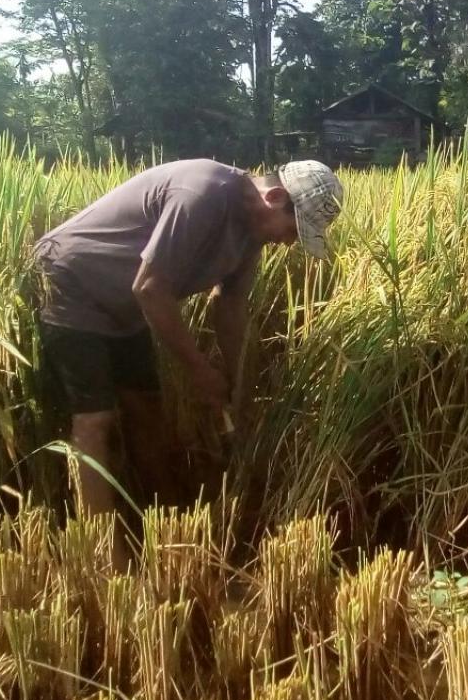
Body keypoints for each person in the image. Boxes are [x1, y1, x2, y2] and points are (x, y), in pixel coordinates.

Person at [31, 158, 343, 515]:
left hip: (126, 305)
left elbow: (230, 306)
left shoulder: (252, 231)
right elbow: (149, 288)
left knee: (146, 410)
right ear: (274, 196)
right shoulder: (205, 193)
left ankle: (167, 515)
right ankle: (103, 556)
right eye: (294, 229)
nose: (289, 243)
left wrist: (240, 387)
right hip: (71, 281)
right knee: (95, 419)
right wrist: (200, 372)